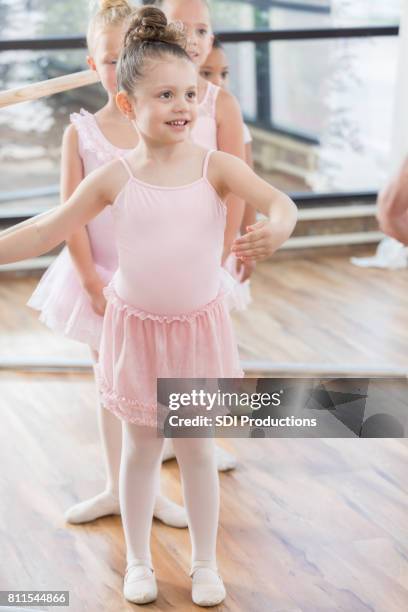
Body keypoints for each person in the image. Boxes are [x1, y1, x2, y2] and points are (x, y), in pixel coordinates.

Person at [0, 6, 297, 605]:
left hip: (196, 331)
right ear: (130, 106)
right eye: (166, 94)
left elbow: (280, 201)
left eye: (190, 91)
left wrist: (279, 229)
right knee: (139, 450)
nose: (185, 104)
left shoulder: (217, 166)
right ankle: (138, 561)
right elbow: (47, 230)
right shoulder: (113, 177)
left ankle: (205, 564)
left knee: (195, 449)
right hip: (136, 333)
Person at [27, 0, 187, 528]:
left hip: (158, 283)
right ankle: (114, 487)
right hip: (98, 279)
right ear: (91, 63)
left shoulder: (163, 130)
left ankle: (149, 491)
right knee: (112, 387)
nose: (117, 67)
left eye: (128, 56)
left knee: (158, 389)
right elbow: (69, 217)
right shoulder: (82, 132)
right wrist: (92, 281)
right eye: (107, 57)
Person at [200, 34, 256, 304]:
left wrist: (248, 245)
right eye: (207, 73)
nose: (218, 82)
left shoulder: (232, 120)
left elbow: (248, 186)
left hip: (223, 237)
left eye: (224, 73)